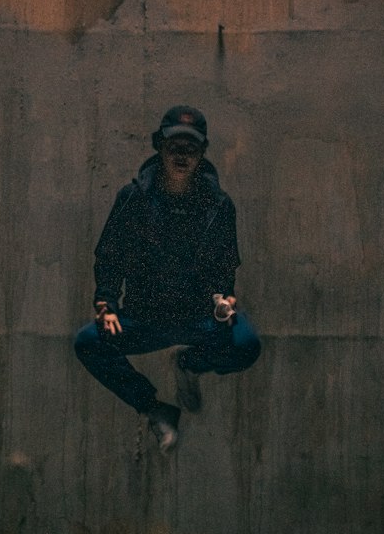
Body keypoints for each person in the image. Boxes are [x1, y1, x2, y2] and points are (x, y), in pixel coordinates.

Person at [73, 105, 261, 451]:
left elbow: (223, 269)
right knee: (88, 342)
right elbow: (110, 255)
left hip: (197, 320)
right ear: (160, 147)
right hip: (144, 319)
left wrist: (223, 301)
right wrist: (106, 302)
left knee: (246, 343)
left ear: (202, 154)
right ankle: (155, 409)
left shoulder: (219, 206)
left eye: (191, 149)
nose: (182, 156)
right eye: (175, 146)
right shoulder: (133, 199)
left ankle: (190, 364)